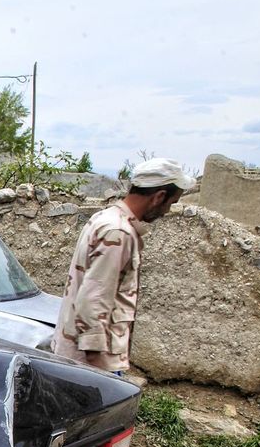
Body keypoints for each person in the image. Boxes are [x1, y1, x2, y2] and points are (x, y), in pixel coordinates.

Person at [52, 158, 195, 374]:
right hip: (91, 364)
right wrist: (100, 373)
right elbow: (94, 299)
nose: (167, 211)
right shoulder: (118, 232)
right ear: (159, 197)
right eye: (171, 203)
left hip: (82, 360)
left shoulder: (106, 218)